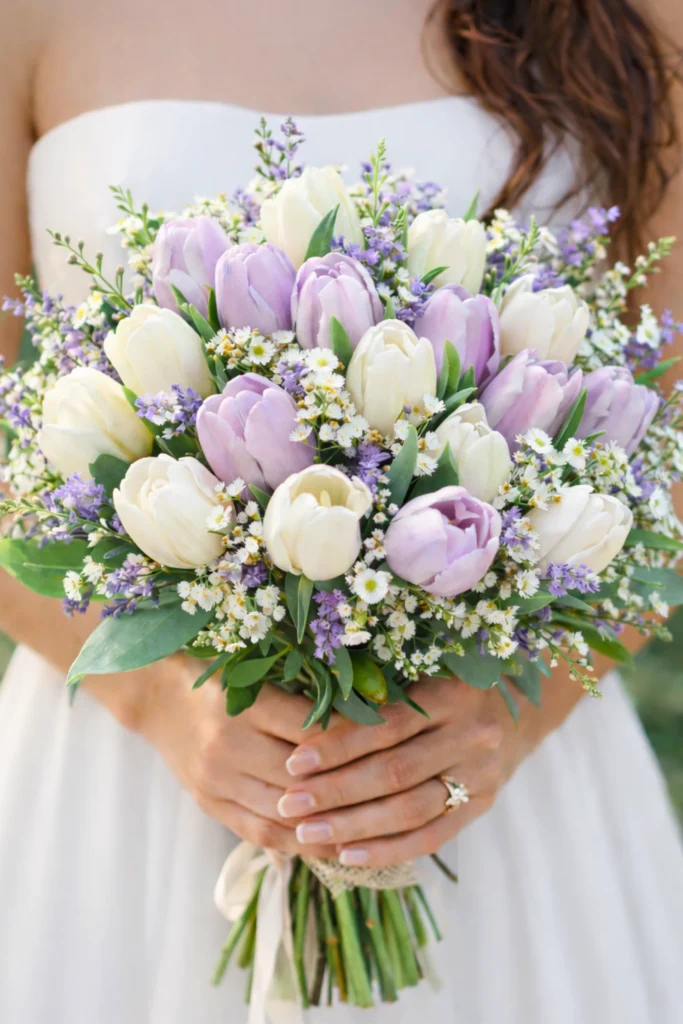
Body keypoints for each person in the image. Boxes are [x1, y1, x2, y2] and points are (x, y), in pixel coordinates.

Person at [1, 1, 683, 1021]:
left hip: (502, 775)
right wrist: (156, 700)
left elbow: (667, 455)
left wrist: (508, 718)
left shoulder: (640, 18)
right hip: (131, 767)